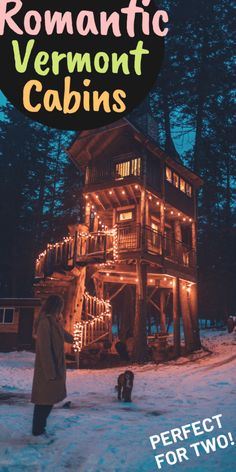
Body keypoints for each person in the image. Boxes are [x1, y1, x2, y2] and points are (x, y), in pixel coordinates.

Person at [31, 294, 74, 436]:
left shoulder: (54, 321)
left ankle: (39, 429)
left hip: (54, 366)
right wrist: (50, 371)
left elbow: (62, 333)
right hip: (47, 368)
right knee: (43, 401)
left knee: (48, 400)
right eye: (60, 306)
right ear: (55, 306)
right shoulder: (45, 322)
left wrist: (73, 339)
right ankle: (37, 431)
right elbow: (44, 348)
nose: (61, 309)